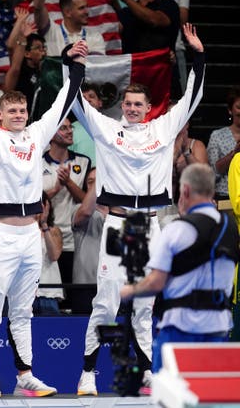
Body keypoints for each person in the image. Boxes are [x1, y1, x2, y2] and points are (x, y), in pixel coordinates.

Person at [72, 23, 204, 396]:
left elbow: (193, 96)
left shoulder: (163, 129)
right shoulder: (105, 129)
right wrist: (75, 65)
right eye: (127, 103)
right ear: (122, 106)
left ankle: (146, 372)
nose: (131, 109)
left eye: (138, 105)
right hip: (116, 225)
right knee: (106, 303)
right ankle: (87, 374)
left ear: (149, 109)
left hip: (151, 226)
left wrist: (198, 55)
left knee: (146, 306)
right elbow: (74, 101)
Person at [0, 34, 86, 397]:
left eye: (22, 111)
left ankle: (25, 376)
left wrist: (71, 63)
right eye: (11, 111)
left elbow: (62, 103)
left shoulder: (36, 135)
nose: (18, 115)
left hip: (31, 235)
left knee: (23, 309)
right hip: (0, 232)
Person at [120, 163, 238, 373]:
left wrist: (131, 290)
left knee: (172, 397)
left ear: (185, 191)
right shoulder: (231, 228)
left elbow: (156, 282)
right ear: (211, 190)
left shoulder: (177, 229)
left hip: (181, 327)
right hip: (218, 327)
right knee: (210, 397)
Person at [42, 118, 89, 294]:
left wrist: (68, 182)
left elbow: (87, 201)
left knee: (71, 296)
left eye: (70, 128)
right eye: (63, 128)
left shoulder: (83, 162)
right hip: (47, 240)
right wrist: (55, 189)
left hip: (75, 239)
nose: (70, 131)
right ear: (51, 135)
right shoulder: (37, 163)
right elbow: (35, 202)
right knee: (50, 294)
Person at [32, 0, 105, 56]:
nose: (87, 12)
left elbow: (95, 65)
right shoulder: (51, 31)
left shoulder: (95, 37)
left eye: (86, 7)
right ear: (67, 12)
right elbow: (38, 7)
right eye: (81, 8)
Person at [70, 167, 104, 314]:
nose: (95, 185)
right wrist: (101, 180)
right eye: (90, 182)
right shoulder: (78, 209)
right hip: (85, 286)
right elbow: (86, 212)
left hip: (114, 286)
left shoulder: (121, 211)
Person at [207, 86, 240, 200]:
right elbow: (212, 174)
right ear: (230, 110)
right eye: (239, 107)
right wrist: (234, 153)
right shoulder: (217, 136)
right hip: (225, 197)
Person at [33, 191, 63, 316]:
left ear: (47, 206)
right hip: (27, 293)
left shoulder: (54, 231)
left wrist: (44, 224)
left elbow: (54, 255)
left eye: (41, 206)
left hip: (48, 293)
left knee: (51, 331)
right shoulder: (23, 233)